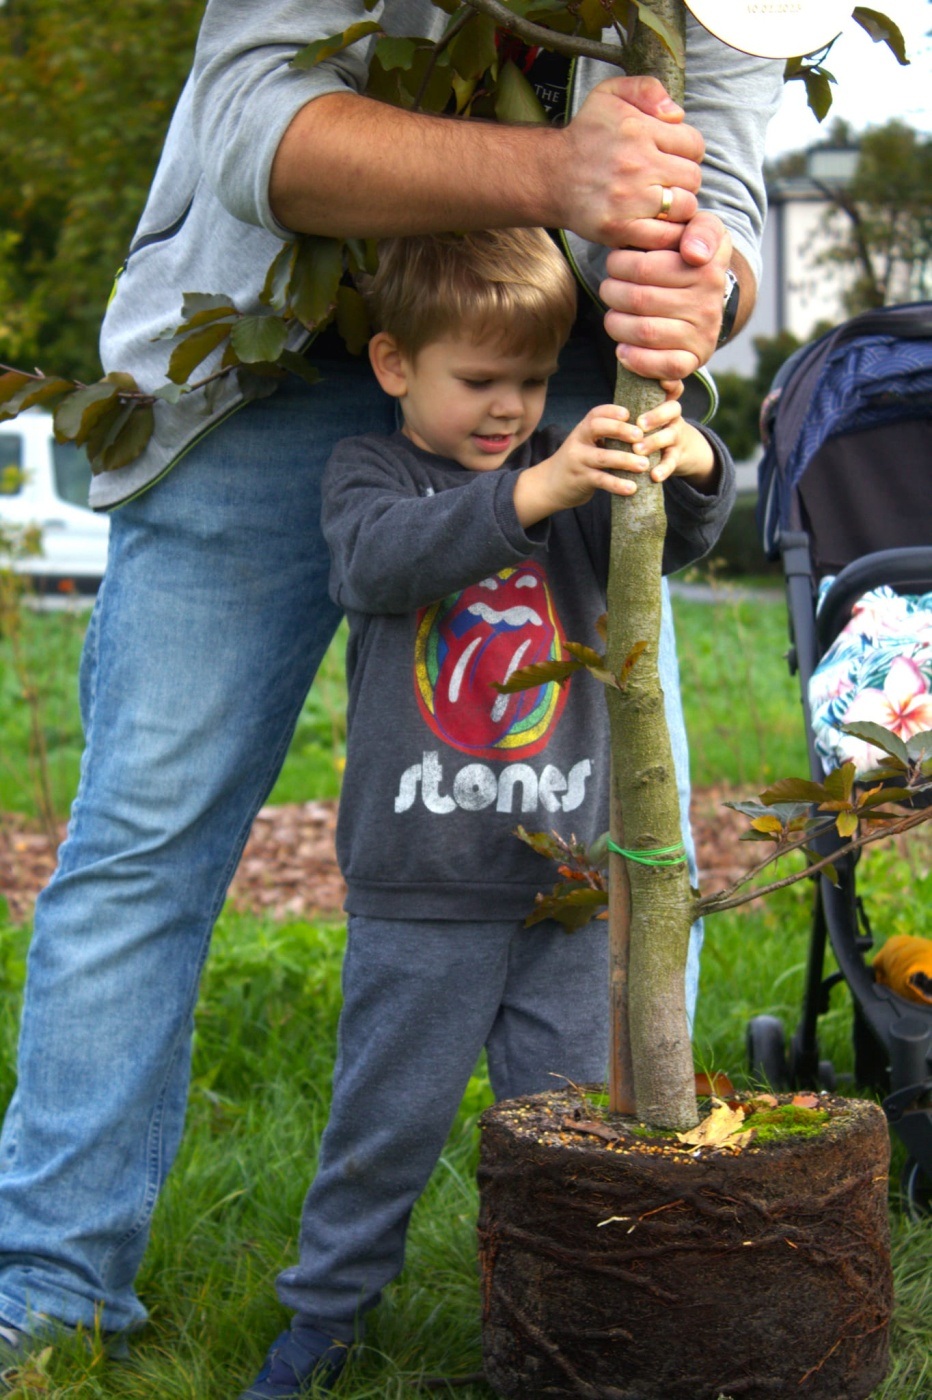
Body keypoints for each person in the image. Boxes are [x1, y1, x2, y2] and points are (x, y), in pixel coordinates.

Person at [0, 0, 784, 1390]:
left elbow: (714, 181)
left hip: (546, 376)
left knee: (625, 862)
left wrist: (702, 286)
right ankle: (51, 1291)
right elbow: (257, 129)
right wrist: (557, 176)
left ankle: (604, 1295)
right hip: (259, 369)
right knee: (146, 843)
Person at [239, 225, 737, 1398]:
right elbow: (382, 562)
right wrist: (535, 487)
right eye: (478, 381)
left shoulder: (577, 474)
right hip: (422, 891)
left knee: (563, 1130)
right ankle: (325, 1317)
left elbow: (682, 534)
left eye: (528, 381)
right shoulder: (369, 477)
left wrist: (696, 457)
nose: (509, 406)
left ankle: (553, 1323)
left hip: (567, 887)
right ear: (393, 363)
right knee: (384, 1126)